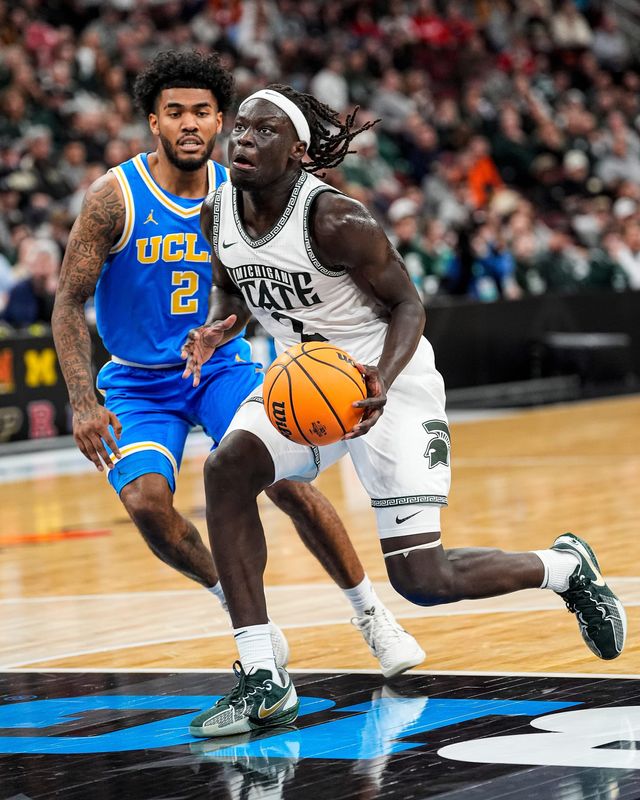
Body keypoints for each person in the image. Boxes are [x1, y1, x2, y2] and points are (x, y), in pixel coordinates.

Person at [182, 84, 627, 738]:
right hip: (304, 379)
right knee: (227, 470)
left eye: (263, 131)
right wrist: (220, 327)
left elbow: (410, 307)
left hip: (384, 376)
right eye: (240, 128)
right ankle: (261, 676)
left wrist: (380, 382)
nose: (242, 140)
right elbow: (234, 285)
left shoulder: (336, 220)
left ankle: (563, 567)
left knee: (423, 578)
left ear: (299, 150)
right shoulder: (215, 213)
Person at [51, 51, 425, 680]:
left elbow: (254, 286)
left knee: (287, 482)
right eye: (175, 113)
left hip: (222, 364)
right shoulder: (113, 197)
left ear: (222, 119)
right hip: (139, 381)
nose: (190, 124)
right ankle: (237, 601)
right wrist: (83, 400)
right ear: (154, 122)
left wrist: (227, 329)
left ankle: (372, 615)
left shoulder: (244, 189)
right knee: (145, 503)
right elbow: (67, 302)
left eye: (202, 112)